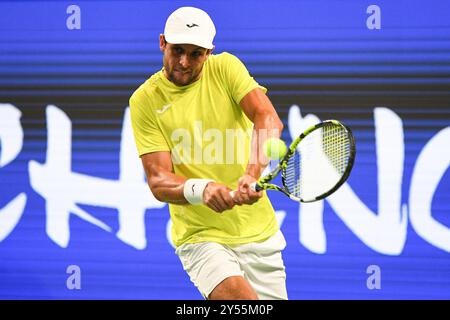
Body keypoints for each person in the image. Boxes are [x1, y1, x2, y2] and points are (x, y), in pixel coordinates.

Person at [129, 6, 287, 300]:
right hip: (201, 237)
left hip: (260, 233)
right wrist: (201, 190)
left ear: (209, 52)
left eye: (195, 53)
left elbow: (268, 118)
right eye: (177, 50)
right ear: (162, 42)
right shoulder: (145, 100)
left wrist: (251, 175)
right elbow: (158, 180)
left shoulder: (227, 68)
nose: (184, 62)